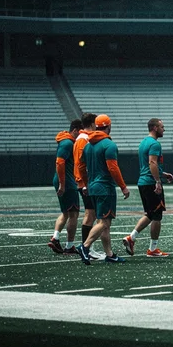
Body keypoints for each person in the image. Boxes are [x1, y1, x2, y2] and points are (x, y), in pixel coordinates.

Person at [76, 114, 130, 264]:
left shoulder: (88, 145)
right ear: (109, 126)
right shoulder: (109, 145)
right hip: (105, 188)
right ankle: (85, 246)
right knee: (104, 223)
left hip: (93, 187)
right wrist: (123, 187)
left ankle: (109, 254)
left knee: (104, 222)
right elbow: (113, 168)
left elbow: (81, 166)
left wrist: (86, 183)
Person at [123, 118, 173, 258]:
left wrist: (163, 174)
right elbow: (152, 163)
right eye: (162, 127)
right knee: (157, 216)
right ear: (155, 128)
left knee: (150, 214)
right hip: (150, 182)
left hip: (143, 182)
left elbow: (149, 165)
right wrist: (157, 181)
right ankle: (152, 249)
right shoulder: (154, 144)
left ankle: (131, 238)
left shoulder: (143, 142)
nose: (164, 129)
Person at [47, 119, 82, 254]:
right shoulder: (67, 143)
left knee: (66, 213)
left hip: (64, 180)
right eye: (80, 132)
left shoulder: (66, 141)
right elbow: (60, 162)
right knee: (74, 214)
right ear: (75, 130)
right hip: (67, 181)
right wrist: (62, 184)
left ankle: (55, 238)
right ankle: (69, 245)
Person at [72, 111, 103, 259]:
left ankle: (88, 248)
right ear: (91, 124)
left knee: (91, 213)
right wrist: (84, 183)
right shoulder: (83, 139)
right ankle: (87, 248)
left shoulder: (83, 138)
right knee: (90, 214)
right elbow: (80, 163)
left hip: (86, 182)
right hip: (86, 182)